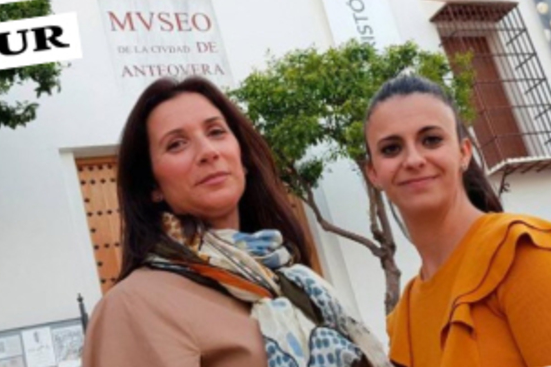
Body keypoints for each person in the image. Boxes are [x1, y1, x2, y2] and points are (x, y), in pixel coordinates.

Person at [82, 76, 390, 367]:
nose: (208, 152)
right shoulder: (133, 306)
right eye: (176, 144)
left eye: (216, 132)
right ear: (152, 186)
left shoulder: (292, 281)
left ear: (242, 158)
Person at [363, 74, 551, 367]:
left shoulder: (525, 255)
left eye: (431, 140)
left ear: (463, 153)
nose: (414, 160)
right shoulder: (403, 318)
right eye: (391, 148)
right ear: (373, 173)